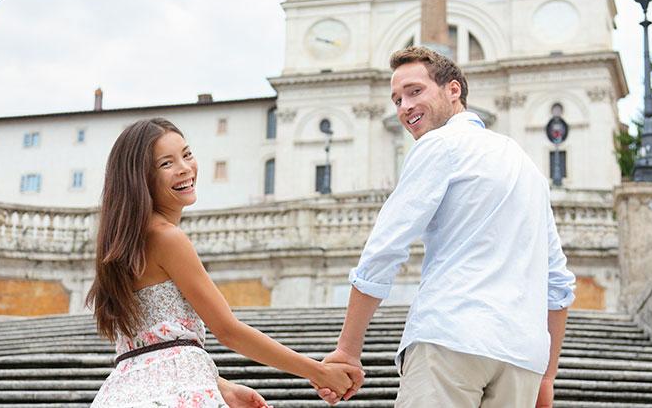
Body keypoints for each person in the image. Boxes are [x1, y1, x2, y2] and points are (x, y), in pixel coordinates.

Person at [321, 46, 576, 407]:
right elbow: (559, 283)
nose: (404, 106)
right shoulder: (527, 165)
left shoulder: (439, 144)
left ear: (453, 90)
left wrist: (347, 350)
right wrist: (547, 376)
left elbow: (385, 248)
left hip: (452, 336)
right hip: (522, 356)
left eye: (414, 91)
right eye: (396, 99)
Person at [88, 118, 362, 407]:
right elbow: (228, 330)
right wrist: (318, 372)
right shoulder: (167, 238)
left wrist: (222, 387)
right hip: (177, 392)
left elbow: (153, 346)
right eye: (166, 163)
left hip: (122, 391)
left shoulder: (123, 245)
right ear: (139, 177)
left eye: (187, 154)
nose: (184, 168)